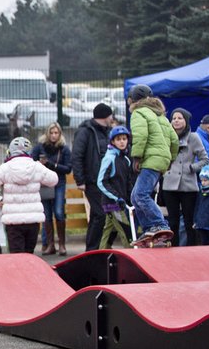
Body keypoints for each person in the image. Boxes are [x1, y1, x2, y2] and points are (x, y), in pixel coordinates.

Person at [0, 136, 58, 254]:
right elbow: (53, 179)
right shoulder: (36, 166)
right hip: (33, 220)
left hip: (13, 221)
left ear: (10, 152)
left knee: (16, 256)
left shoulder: (6, 167)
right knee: (29, 254)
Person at [128, 84, 178, 244]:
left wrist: (136, 157)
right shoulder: (161, 116)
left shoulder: (138, 112)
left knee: (141, 195)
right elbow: (175, 140)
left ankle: (159, 224)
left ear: (132, 100)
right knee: (135, 197)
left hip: (150, 158)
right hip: (162, 159)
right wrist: (170, 159)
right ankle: (149, 228)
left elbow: (140, 135)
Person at [72, 103, 118, 250]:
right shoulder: (85, 132)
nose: (112, 118)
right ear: (105, 116)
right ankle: (92, 248)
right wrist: (80, 179)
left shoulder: (108, 131)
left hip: (107, 181)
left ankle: (102, 246)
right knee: (100, 214)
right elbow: (77, 155)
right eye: (111, 115)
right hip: (92, 181)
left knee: (106, 215)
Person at [162, 108, 208, 246]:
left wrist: (192, 168)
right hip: (169, 184)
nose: (176, 120)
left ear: (186, 121)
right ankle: (173, 250)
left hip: (188, 185)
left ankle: (191, 250)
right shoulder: (166, 137)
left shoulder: (193, 137)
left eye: (179, 118)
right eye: (174, 118)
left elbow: (205, 159)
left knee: (189, 222)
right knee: (173, 222)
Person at [32, 122, 73, 255]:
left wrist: (51, 164)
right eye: (51, 132)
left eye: (56, 133)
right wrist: (40, 164)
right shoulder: (40, 147)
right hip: (44, 184)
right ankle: (50, 245)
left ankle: (62, 244)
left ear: (60, 134)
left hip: (59, 183)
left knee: (59, 212)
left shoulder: (64, 149)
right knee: (47, 215)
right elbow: (31, 163)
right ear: (47, 133)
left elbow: (67, 169)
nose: (54, 135)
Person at [96, 126, 135, 248]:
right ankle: (131, 256)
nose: (122, 142)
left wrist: (130, 198)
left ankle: (102, 254)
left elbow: (127, 182)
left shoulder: (126, 160)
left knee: (109, 231)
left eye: (124, 138)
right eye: (118, 139)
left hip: (122, 203)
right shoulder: (109, 158)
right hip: (112, 203)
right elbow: (101, 182)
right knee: (126, 231)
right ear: (112, 141)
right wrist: (117, 197)